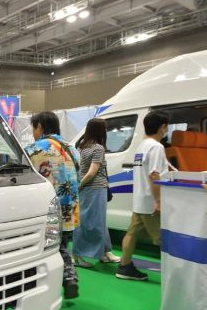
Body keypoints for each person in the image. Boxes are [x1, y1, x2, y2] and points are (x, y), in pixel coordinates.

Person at [24, 111, 81, 299]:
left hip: (47, 207)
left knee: (48, 248)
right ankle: (68, 278)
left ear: (40, 126)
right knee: (62, 244)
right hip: (70, 207)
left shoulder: (34, 149)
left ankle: (64, 279)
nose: (33, 133)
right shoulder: (71, 148)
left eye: (33, 128)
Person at [116, 110, 170, 281]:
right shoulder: (157, 147)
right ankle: (177, 274)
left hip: (140, 199)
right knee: (165, 238)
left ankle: (124, 266)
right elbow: (154, 175)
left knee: (131, 233)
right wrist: (159, 200)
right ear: (162, 127)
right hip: (151, 201)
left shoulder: (142, 145)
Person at [72, 118, 121, 267]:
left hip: (87, 189)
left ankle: (105, 252)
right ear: (100, 131)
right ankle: (77, 255)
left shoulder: (81, 147)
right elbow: (92, 172)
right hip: (95, 188)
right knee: (91, 223)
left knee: (96, 222)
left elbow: (81, 169)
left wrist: (79, 185)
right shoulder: (98, 148)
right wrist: (80, 185)